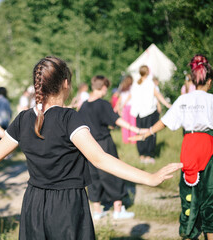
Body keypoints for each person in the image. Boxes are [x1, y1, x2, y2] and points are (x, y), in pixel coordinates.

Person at [0, 56, 182, 240]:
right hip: (67, 206)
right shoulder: (70, 119)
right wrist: (149, 178)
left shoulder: (23, 118)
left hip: (33, 204)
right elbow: (100, 159)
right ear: (65, 83)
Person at [130, 54, 213, 240]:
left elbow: (165, 122)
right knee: (210, 194)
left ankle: (189, 231)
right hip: (208, 147)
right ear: (209, 82)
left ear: (192, 80)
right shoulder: (211, 100)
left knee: (190, 194)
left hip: (190, 148)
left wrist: (146, 133)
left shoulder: (183, 100)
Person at [79, 75, 145, 220]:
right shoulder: (103, 104)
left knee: (93, 176)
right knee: (113, 173)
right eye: (106, 89)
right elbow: (117, 120)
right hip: (104, 143)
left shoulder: (83, 105)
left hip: (89, 144)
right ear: (103, 87)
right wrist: (137, 130)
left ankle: (97, 211)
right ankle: (118, 209)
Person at [129, 65, 172, 164]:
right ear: (147, 72)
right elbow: (157, 95)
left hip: (138, 113)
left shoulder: (136, 83)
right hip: (148, 112)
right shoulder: (149, 83)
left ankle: (141, 155)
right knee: (150, 132)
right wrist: (167, 104)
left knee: (139, 132)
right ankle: (148, 155)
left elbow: (132, 96)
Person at [114, 75, 136, 144]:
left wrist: (119, 106)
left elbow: (120, 97)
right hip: (131, 106)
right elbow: (130, 96)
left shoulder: (122, 87)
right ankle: (133, 140)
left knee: (125, 124)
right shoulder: (132, 87)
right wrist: (119, 106)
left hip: (125, 107)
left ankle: (126, 140)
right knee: (132, 124)